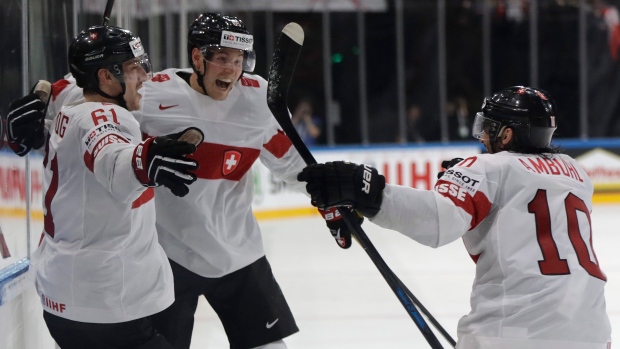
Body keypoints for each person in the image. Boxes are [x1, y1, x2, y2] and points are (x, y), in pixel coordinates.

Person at [5, 12, 354, 349]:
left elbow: (292, 164)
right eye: (222, 58)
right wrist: (43, 101)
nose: (232, 70)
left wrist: (328, 199)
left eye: (239, 60)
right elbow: (89, 94)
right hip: (171, 257)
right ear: (197, 58)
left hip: (238, 253)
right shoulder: (155, 93)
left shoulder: (260, 101)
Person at [298, 86, 612, 349]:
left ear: (505, 135)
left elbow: (437, 221)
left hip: (514, 333)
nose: (482, 138)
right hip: (593, 334)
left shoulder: (487, 169)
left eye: (488, 128)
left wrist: (367, 191)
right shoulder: (577, 174)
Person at [32, 25, 200, 348]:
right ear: (106, 77)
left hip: (66, 298)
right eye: (134, 68)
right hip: (104, 305)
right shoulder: (105, 117)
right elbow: (111, 159)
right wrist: (142, 161)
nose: (144, 77)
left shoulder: (71, 112)